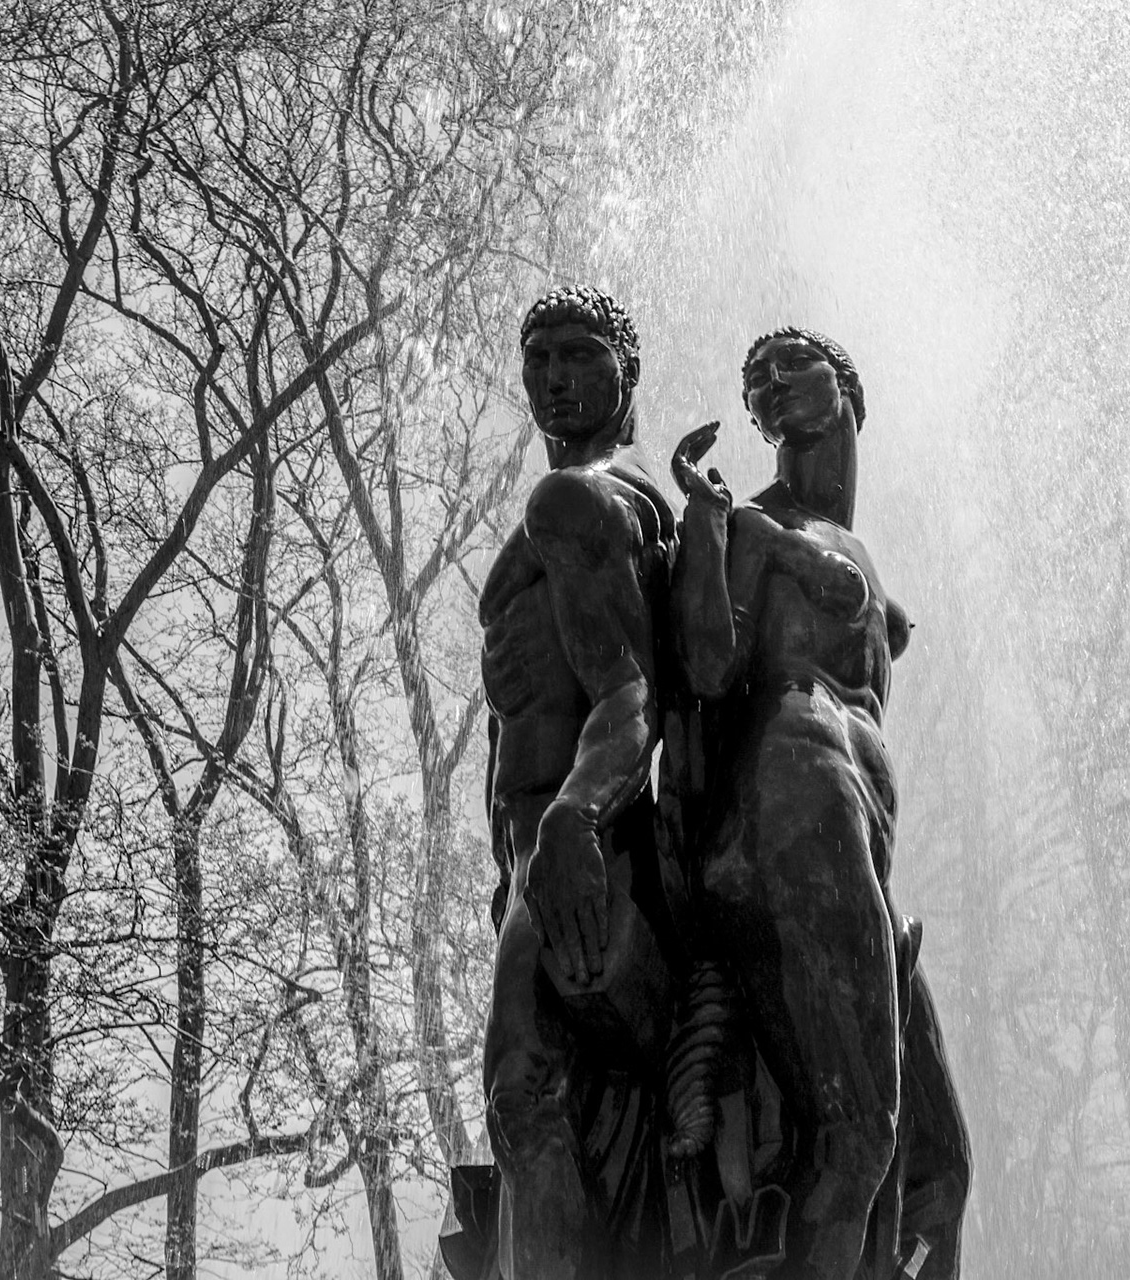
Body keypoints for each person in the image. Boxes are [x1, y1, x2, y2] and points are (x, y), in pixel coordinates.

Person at [670, 328, 969, 1279]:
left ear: (844, 385)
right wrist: (712, 528)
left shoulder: (858, 549)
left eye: (786, 366)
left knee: (940, 1169)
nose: (765, 384)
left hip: (853, 838)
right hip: (796, 794)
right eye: (754, 382)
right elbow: (707, 668)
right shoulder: (756, 523)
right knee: (861, 1134)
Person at [476, 285, 676, 1279]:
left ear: (626, 371)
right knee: (556, 1120)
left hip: (578, 849)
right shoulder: (607, 501)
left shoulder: (577, 500)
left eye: (578, 353)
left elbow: (631, 692)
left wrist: (572, 822)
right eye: (538, 356)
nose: (553, 376)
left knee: (523, 1089)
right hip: (541, 855)